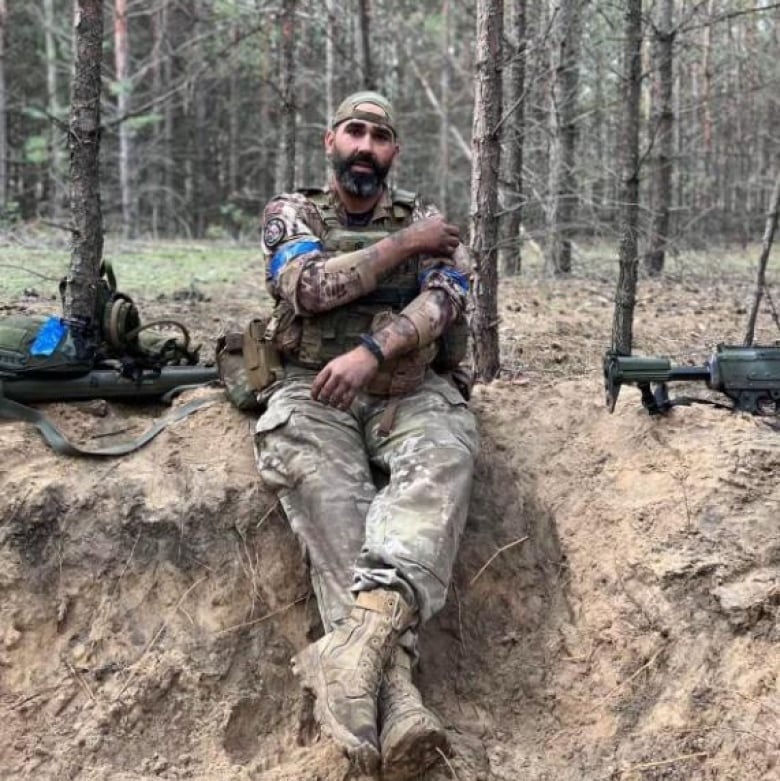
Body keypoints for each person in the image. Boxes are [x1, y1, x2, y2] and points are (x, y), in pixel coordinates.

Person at [254, 91, 479, 779]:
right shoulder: (293, 214)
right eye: (354, 132)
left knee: (444, 459)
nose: (365, 147)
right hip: (313, 391)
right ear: (331, 141)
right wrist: (407, 245)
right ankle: (400, 694)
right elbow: (310, 288)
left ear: (393, 153)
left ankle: (356, 656)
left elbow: (444, 301)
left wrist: (372, 354)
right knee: (331, 497)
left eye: (379, 136)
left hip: (407, 393)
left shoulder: (430, 220)